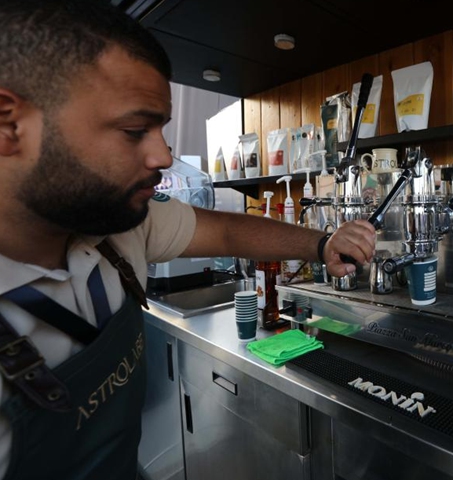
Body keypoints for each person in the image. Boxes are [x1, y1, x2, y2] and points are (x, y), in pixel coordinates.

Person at [0, 1, 376, 479]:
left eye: (161, 129)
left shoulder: (123, 227)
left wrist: (322, 245)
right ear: (10, 124)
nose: (162, 155)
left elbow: (225, 228)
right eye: (135, 130)